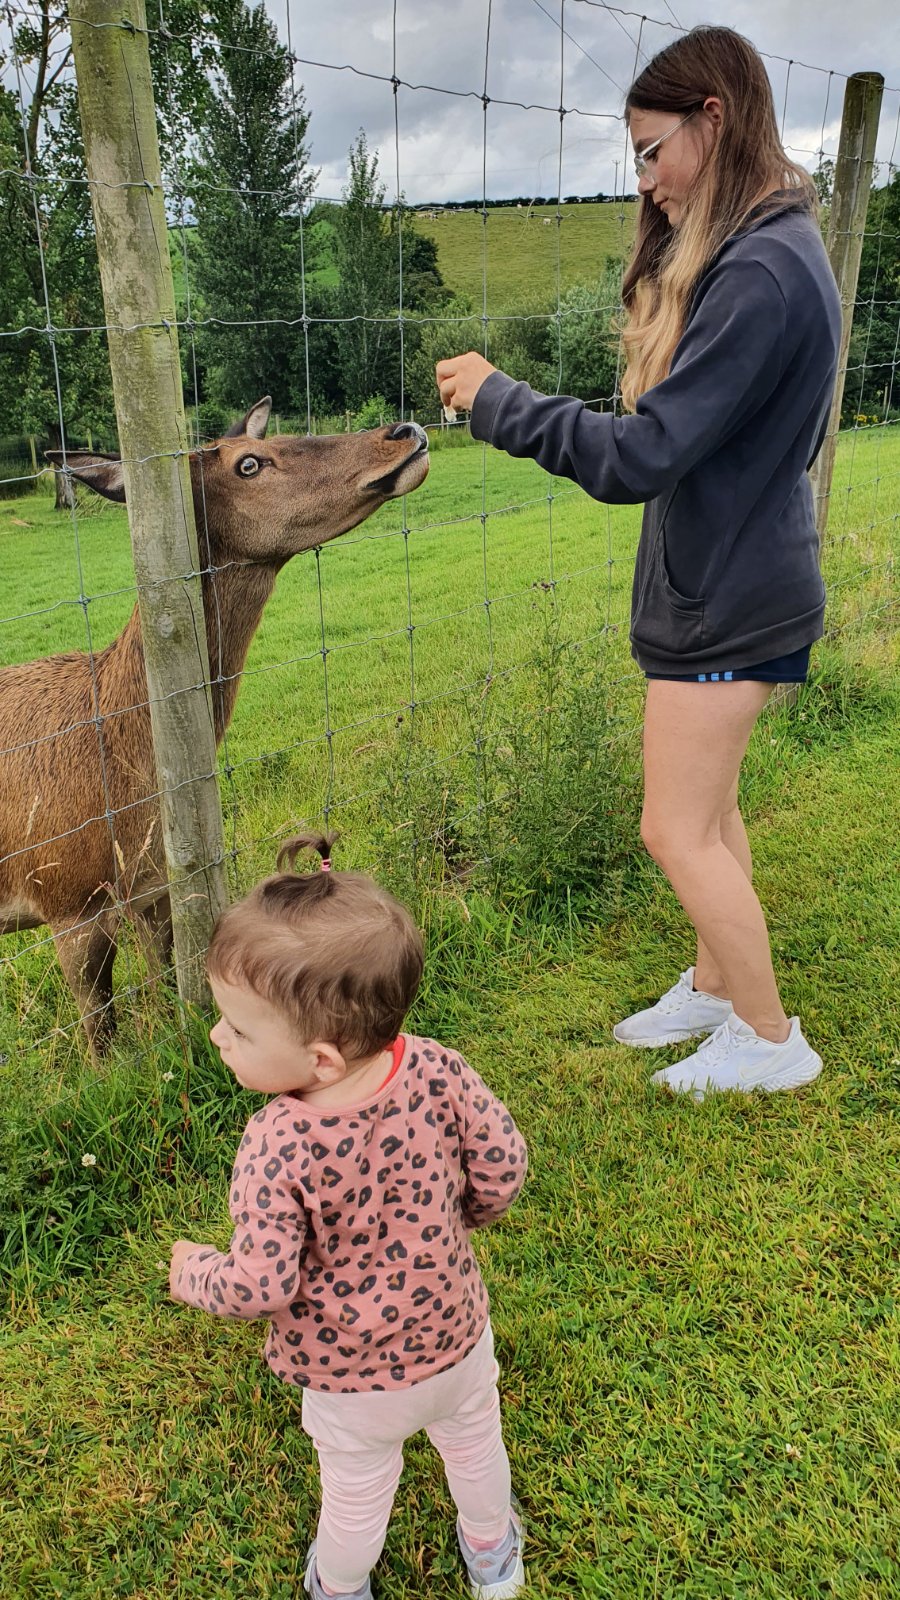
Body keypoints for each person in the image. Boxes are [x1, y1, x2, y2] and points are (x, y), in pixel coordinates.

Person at [436, 25, 841, 1100]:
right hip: (739, 576)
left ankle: (769, 1037)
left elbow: (643, 454)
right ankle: (716, 986)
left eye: (652, 152)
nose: (646, 181)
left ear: (715, 118)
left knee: (673, 828)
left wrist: (502, 402)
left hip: (729, 595)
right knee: (709, 814)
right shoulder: (768, 246)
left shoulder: (760, 272)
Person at [168, 833, 527, 1600]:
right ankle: (494, 1559)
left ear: (322, 1059)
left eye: (238, 1028)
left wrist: (194, 1272)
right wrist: (466, 1217)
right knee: (476, 1449)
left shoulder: (277, 1143)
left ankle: (339, 1586)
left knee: (358, 1496)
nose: (217, 1036)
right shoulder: (438, 1065)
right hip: (457, 1335)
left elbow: (261, 1284)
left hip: (351, 1377)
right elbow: (503, 1163)